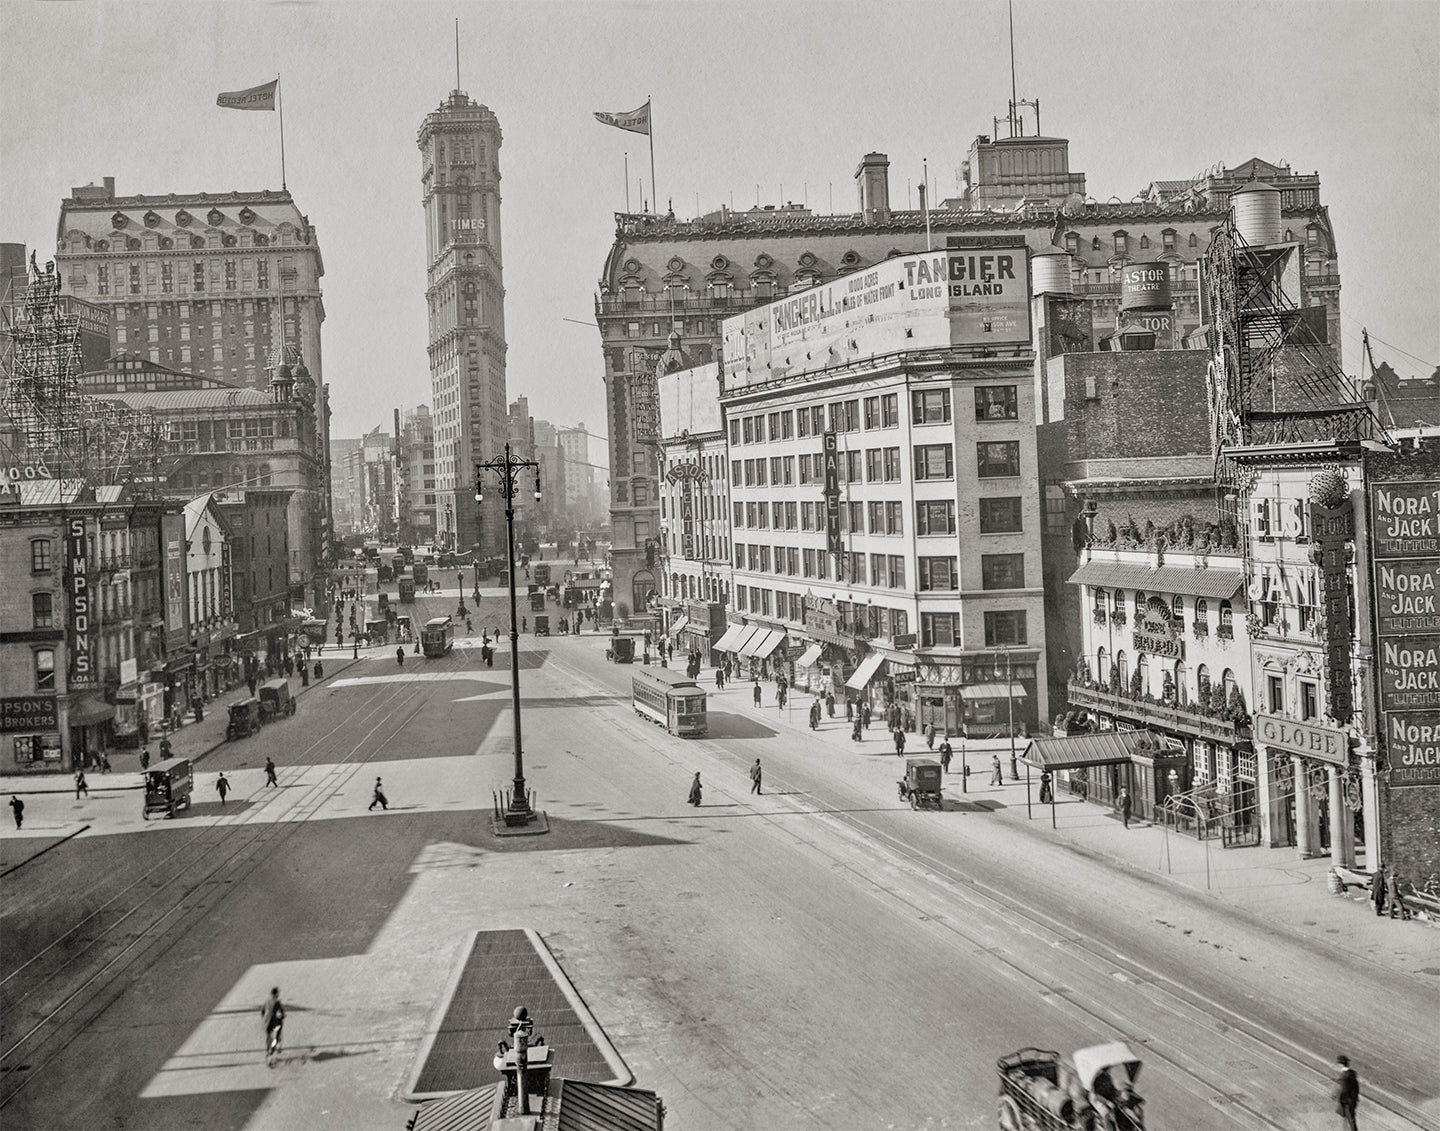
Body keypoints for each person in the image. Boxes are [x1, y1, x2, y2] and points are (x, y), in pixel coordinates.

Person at [260, 987, 285, 1066]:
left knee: (269, 1038)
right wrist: (282, 1016)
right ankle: (276, 1047)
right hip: (275, 1023)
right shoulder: (277, 1003)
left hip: (267, 1024)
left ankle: (269, 1054)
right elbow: (281, 1013)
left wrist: (264, 1018)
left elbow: (262, 1011)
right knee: (276, 1037)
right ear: (276, 994)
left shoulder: (266, 1001)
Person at [1333, 1054, 1359, 1130]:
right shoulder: (1352, 1073)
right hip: (1352, 1100)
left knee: (1350, 1121)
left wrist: (1336, 1095)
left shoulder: (1345, 1075)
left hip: (1346, 1101)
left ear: (1341, 1064)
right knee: (1351, 1120)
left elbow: (1344, 1089)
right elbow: (1352, 1085)